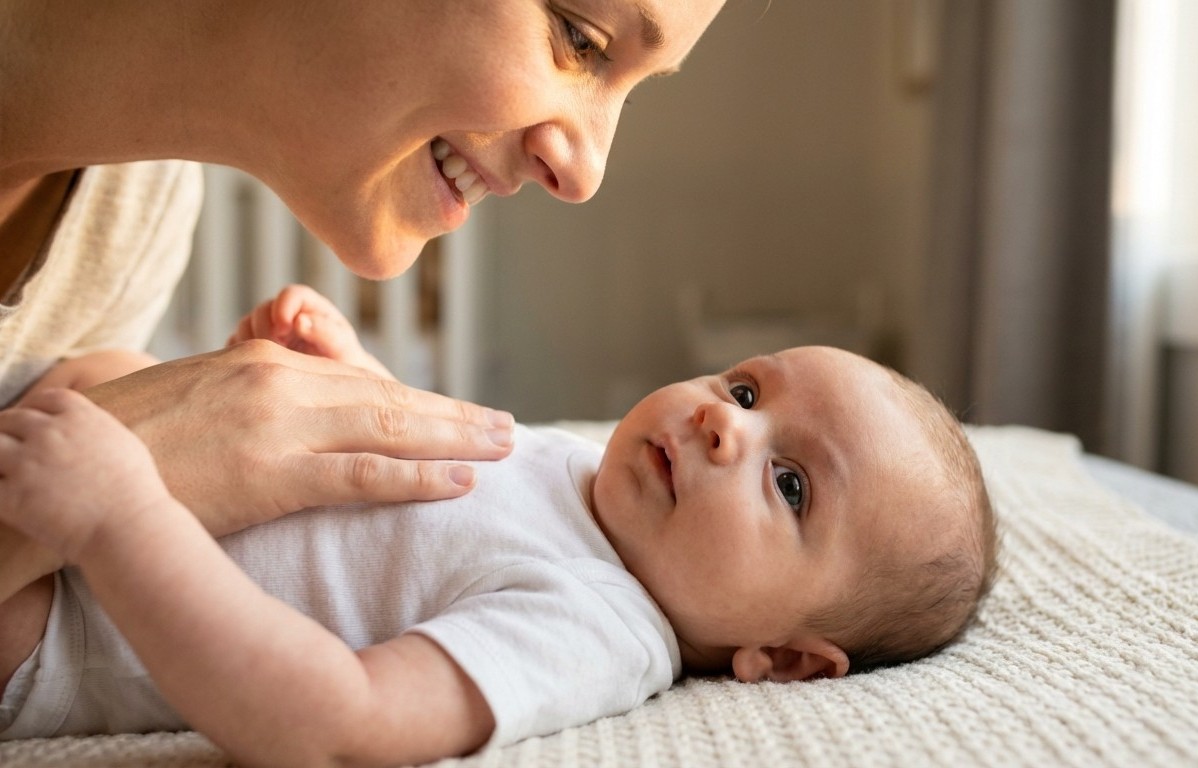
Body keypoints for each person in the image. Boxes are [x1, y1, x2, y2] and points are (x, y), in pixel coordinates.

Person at [0, 285, 998, 766]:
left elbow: (335, 721)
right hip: (111, 471)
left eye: (789, 485)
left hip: (61, 619)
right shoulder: (582, 470)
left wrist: (121, 519)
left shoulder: (597, 622)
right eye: (745, 390)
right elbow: (433, 502)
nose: (723, 425)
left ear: (782, 660)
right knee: (109, 367)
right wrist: (348, 382)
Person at [0, 0, 728, 569]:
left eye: (631, 94)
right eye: (580, 39)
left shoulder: (136, 218)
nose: (585, 173)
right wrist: (118, 474)